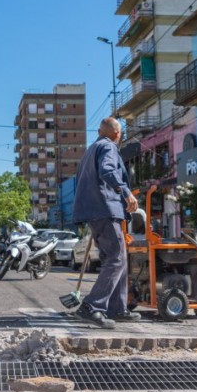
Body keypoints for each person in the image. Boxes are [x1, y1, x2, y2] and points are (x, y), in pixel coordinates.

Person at [71, 117, 140, 329]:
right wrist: (126, 192)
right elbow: (108, 171)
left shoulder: (91, 150)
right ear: (118, 135)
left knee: (118, 258)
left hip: (94, 210)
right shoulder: (108, 147)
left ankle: (116, 308)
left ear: (100, 131)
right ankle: (91, 306)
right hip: (105, 209)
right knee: (117, 258)